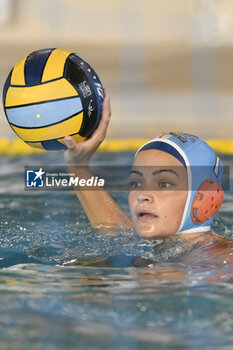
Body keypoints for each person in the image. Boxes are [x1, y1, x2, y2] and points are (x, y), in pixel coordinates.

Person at [64, 88, 233, 266]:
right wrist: (78, 167)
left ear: (205, 197)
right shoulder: (162, 248)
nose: (142, 195)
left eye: (164, 184)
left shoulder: (224, 259)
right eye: (136, 183)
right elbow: (119, 232)